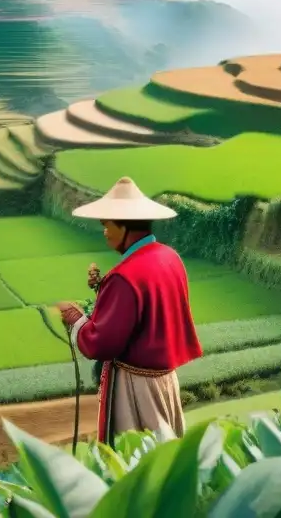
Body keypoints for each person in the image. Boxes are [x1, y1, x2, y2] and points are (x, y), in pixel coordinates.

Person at [57, 176, 203, 445]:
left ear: (125, 225)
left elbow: (102, 344)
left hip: (135, 387)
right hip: (166, 381)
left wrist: (76, 319)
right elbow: (147, 307)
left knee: (137, 458)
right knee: (168, 448)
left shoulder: (125, 276)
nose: (104, 231)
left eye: (107, 225)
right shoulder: (169, 257)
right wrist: (105, 288)